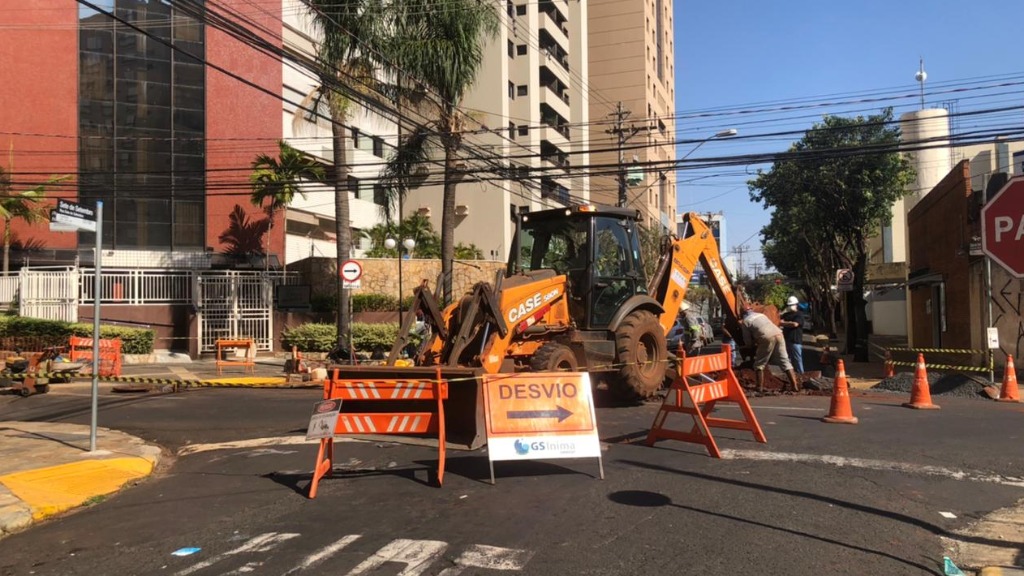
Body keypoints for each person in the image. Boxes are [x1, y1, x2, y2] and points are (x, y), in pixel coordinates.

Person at [740, 307, 801, 394]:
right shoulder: (761, 315)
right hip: (778, 333)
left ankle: (759, 388)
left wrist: (749, 345)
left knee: (759, 364)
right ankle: (794, 386)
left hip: (766, 337)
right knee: (784, 360)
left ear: (743, 314)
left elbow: (748, 341)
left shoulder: (745, 321)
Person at [780, 296, 805, 374]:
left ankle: (801, 374)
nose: (791, 307)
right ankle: (791, 375)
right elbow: (779, 321)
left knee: (797, 359)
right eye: (789, 305)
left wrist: (783, 323)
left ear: (796, 305)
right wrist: (786, 323)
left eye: (792, 305)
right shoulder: (786, 315)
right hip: (786, 340)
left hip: (795, 341)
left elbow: (795, 324)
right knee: (787, 360)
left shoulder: (799, 315)